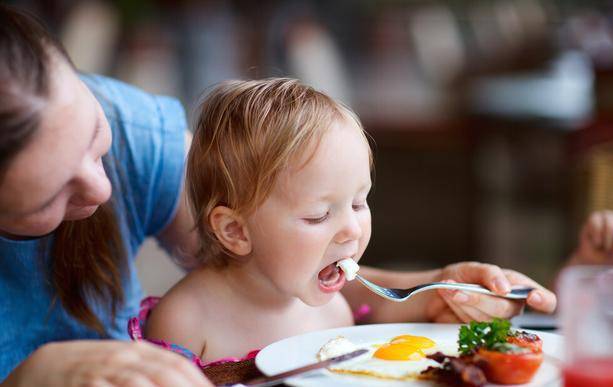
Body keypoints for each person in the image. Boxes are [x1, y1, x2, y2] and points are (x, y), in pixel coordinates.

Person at [141, 78, 557, 363]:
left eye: (359, 203)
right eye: (320, 214)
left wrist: (463, 292)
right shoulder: (187, 322)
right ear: (235, 230)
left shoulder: (335, 306)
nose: (352, 230)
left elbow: (407, 307)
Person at [0, 5, 211, 386]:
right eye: (48, 198)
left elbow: (265, 268)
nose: (103, 189)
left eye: (95, 132)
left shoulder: (133, 127)